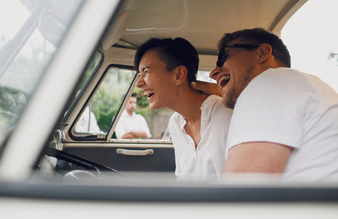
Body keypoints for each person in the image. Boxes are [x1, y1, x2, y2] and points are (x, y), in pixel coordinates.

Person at [193, 28, 338, 182]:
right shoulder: (300, 86)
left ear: (262, 53)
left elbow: (244, 192)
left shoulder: (268, 84)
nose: (213, 73)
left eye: (223, 57)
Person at [135, 37, 232, 181]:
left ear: (179, 75)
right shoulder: (175, 123)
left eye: (146, 72)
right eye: (139, 74)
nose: (139, 83)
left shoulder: (224, 116)